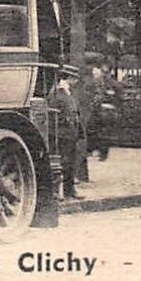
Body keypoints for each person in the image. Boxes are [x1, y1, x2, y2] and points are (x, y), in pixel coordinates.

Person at [48, 69, 85, 201]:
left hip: (70, 134)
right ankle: (56, 191)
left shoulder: (67, 92)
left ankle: (69, 190)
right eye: (75, 79)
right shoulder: (57, 93)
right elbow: (53, 115)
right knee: (60, 163)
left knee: (71, 162)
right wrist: (66, 122)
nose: (76, 82)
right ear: (69, 78)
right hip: (62, 134)